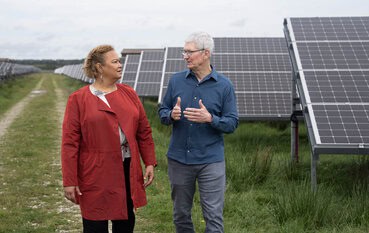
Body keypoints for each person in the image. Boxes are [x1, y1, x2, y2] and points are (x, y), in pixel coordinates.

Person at [61, 44, 157, 233]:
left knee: (125, 223)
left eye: (119, 61)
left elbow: (143, 131)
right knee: (95, 224)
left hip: (126, 168)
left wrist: (149, 162)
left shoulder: (129, 93)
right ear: (99, 67)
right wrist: (69, 180)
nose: (120, 65)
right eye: (114, 61)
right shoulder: (79, 99)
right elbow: (70, 143)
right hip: (95, 171)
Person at [158, 32, 239, 233]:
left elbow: (232, 123)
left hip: (210, 161)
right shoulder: (176, 81)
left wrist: (210, 119)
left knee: (213, 215)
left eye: (189, 52)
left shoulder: (224, 86)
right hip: (179, 160)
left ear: (205, 53)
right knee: (181, 214)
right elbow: (162, 112)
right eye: (183, 51)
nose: (185, 56)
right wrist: (171, 115)